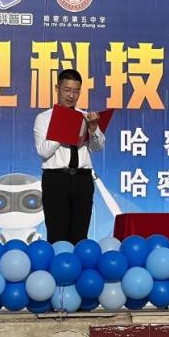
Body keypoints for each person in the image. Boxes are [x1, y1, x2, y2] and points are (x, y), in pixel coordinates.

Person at [34, 69, 105, 243]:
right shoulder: (44, 118)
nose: (71, 95)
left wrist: (93, 129)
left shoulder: (85, 117)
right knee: (57, 236)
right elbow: (43, 151)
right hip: (56, 179)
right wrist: (62, 130)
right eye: (67, 90)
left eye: (76, 91)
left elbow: (97, 147)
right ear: (57, 88)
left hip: (82, 179)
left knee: (80, 236)